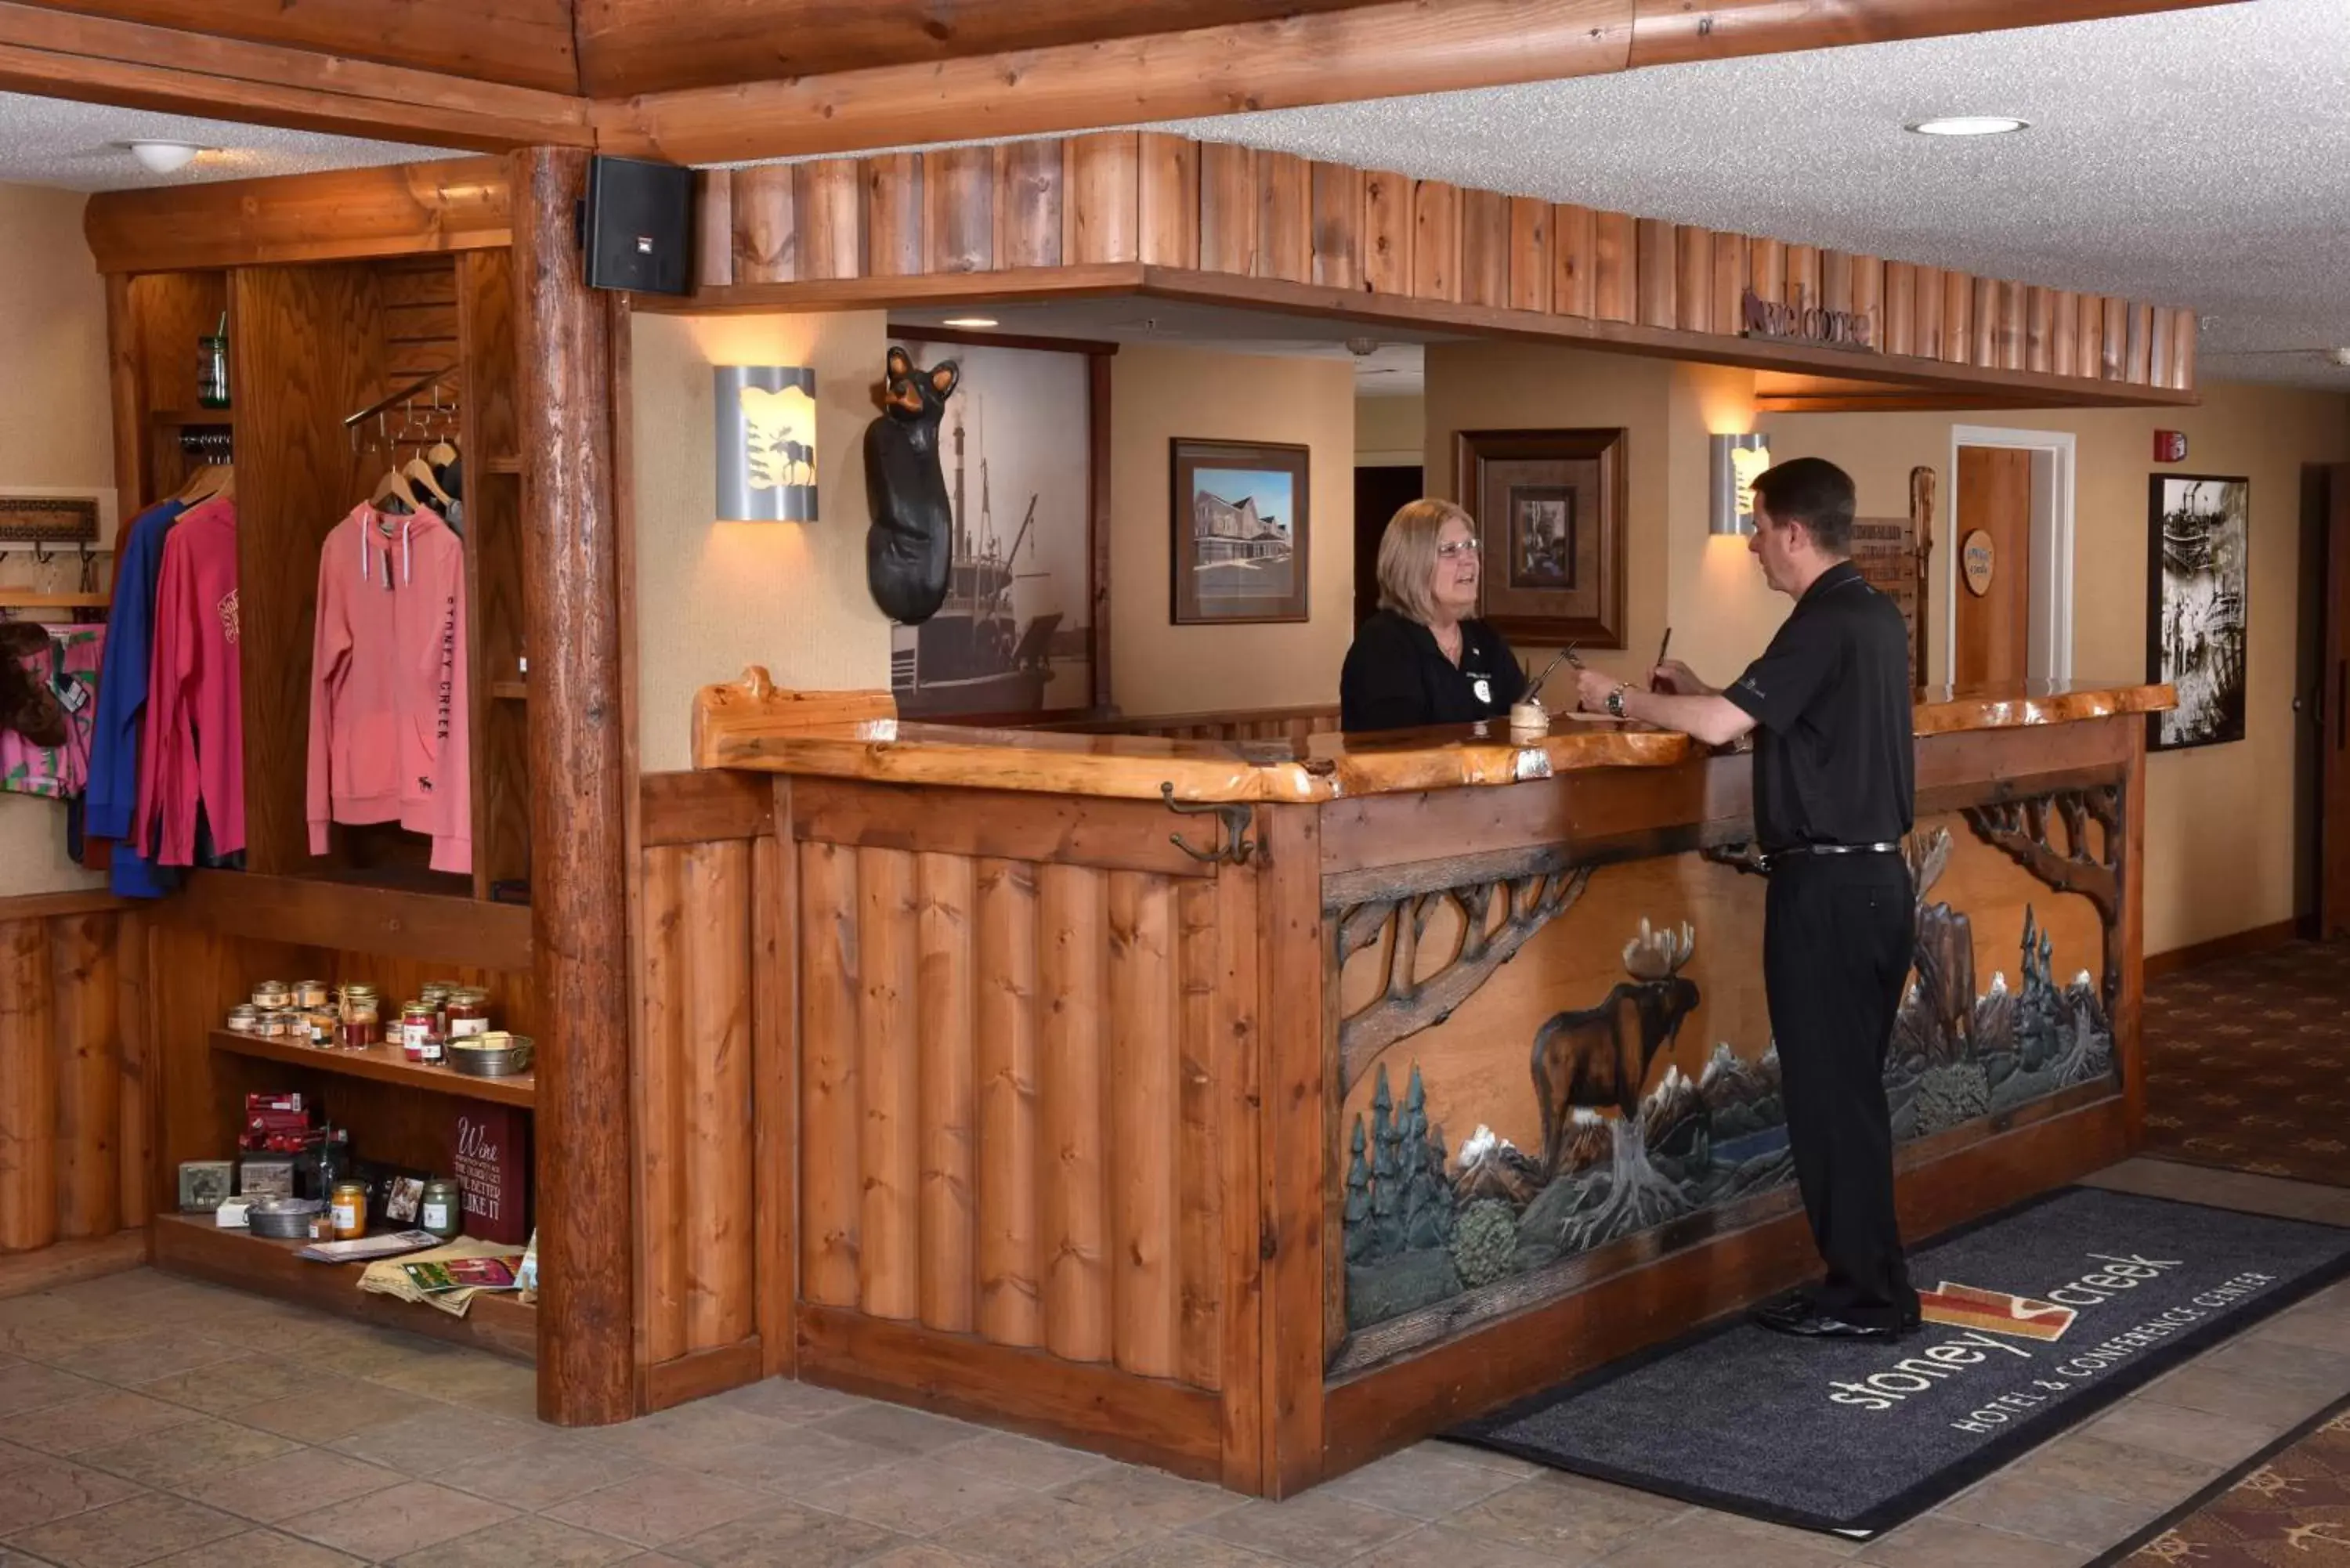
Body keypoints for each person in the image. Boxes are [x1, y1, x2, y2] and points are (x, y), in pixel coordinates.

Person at [1572, 457, 1920, 1341]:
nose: (1757, 547)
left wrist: (1619, 697)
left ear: (1795, 532)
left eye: (1760, 529)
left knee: (1829, 1101)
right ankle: (1869, 1283)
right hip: (1877, 883)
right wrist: (1691, 692)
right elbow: (1769, 714)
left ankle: (1868, 1299)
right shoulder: (1871, 614)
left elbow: (1729, 727)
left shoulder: (1822, 620)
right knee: (1852, 1099)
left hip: (1829, 892)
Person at [1340, 499, 1527, 732]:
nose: (1468, 559)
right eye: (1450, 551)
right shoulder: (1383, 642)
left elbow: (1524, 720)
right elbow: (1398, 749)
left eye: (1470, 545)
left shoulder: (1485, 638)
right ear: (1413, 564)